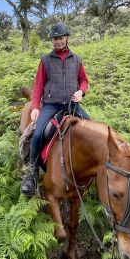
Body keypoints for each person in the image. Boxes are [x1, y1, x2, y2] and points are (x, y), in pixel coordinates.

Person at [21, 22, 90, 197]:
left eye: (60, 38)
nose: (57, 41)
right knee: (37, 135)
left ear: (66, 38)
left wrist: (81, 92)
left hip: (72, 105)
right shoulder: (46, 60)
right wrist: (36, 107)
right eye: (55, 39)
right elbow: (38, 86)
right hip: (51, 105)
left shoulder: (77, 59)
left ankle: (92, 169)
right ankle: (32, 174)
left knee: (92, 128)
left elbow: (84, 80)